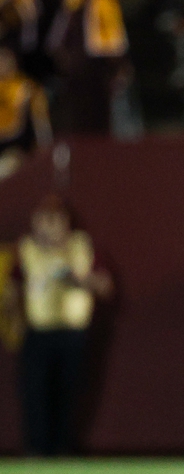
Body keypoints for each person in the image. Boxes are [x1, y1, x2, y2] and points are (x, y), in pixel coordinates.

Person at [14, 195, 112, 455]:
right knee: (35, 393)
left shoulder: (80, 246)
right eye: (42, 220)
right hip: (37, 331)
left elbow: (105, 286)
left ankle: (64, 450)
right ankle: (37, 451)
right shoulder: (26, 249)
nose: (48, 227)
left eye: (54, 220)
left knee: (69, 392)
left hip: (72, 332)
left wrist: (80, 280)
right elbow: (13, 289)